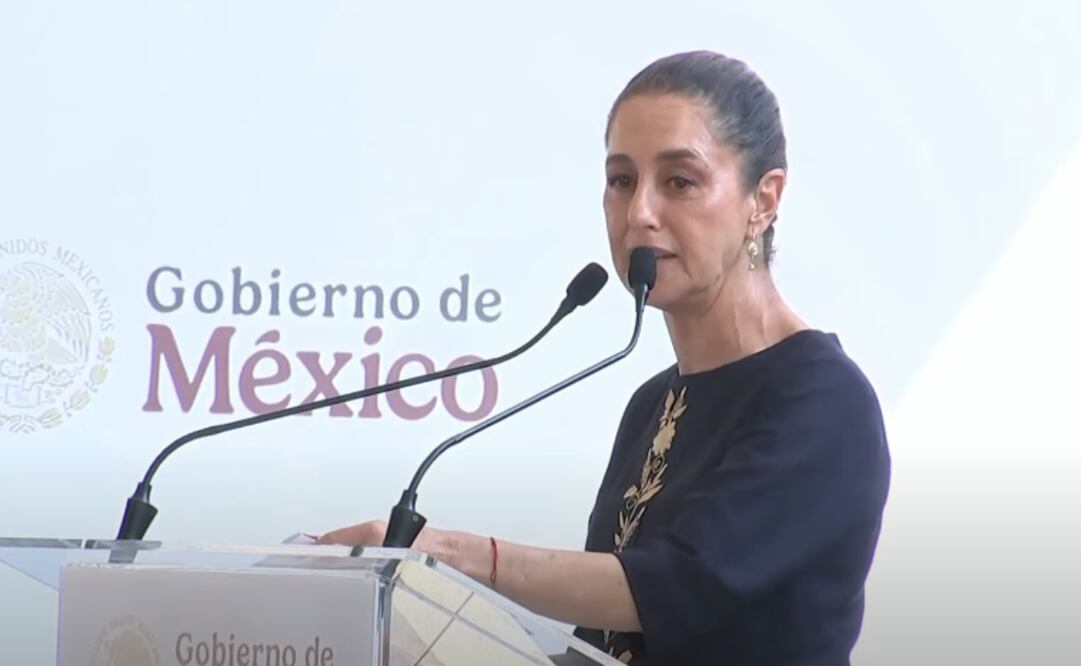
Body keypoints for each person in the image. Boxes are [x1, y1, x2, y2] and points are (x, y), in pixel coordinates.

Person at [317, 50, 891, 665]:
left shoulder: (822, 398)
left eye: (679, 181)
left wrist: (449, 555)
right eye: (622, 180)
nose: (640, 212)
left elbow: (673, 587)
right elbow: (604, 648)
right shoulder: (654, 403)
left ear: (764, 199)